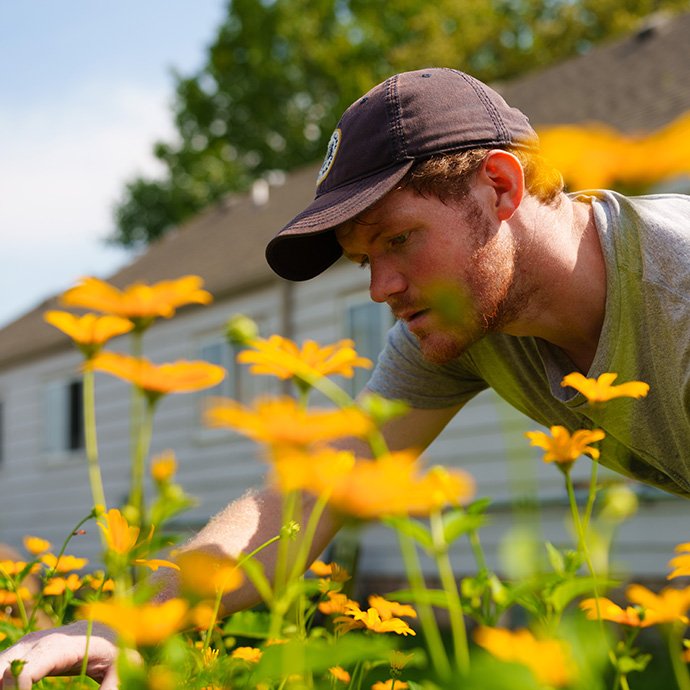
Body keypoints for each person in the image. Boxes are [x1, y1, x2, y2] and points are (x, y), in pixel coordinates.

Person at [2, 66, 689, 687]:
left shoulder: (677, 295)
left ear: (502, 187)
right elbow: (297, 505)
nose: (381, 288)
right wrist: (116, 624)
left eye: (397, 239)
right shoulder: (454, 326)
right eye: (364, 261)